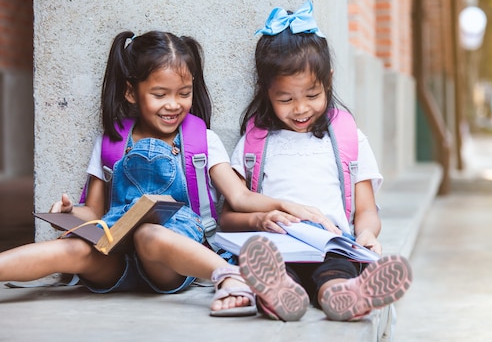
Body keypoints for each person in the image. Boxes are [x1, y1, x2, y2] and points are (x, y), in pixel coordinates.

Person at [0, 30, 331, 317]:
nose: (174, 104)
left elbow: (239, 196)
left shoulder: (202, 140)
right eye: (160, 94)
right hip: (114, 249)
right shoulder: (112, 141)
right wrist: (71, 214)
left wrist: (286, 207)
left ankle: (231, 276)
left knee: (148, 235)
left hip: (170, 257)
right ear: (132, 92)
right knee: (70, 251)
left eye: (183, 93)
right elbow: (95, 211)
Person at [219, 1, 413, 322]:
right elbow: (228, 216)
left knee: (336, 274)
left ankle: (343, 296)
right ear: (266, 91)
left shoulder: (348, 136)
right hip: (278, 247)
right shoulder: (255, 141)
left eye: (312, 95)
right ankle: (279, 294)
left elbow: (366, 209)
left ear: (329, 82)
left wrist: (366, 234)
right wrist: (261, 219)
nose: (300, 109)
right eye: (285, 99)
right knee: (274, 270)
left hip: (332, 246)